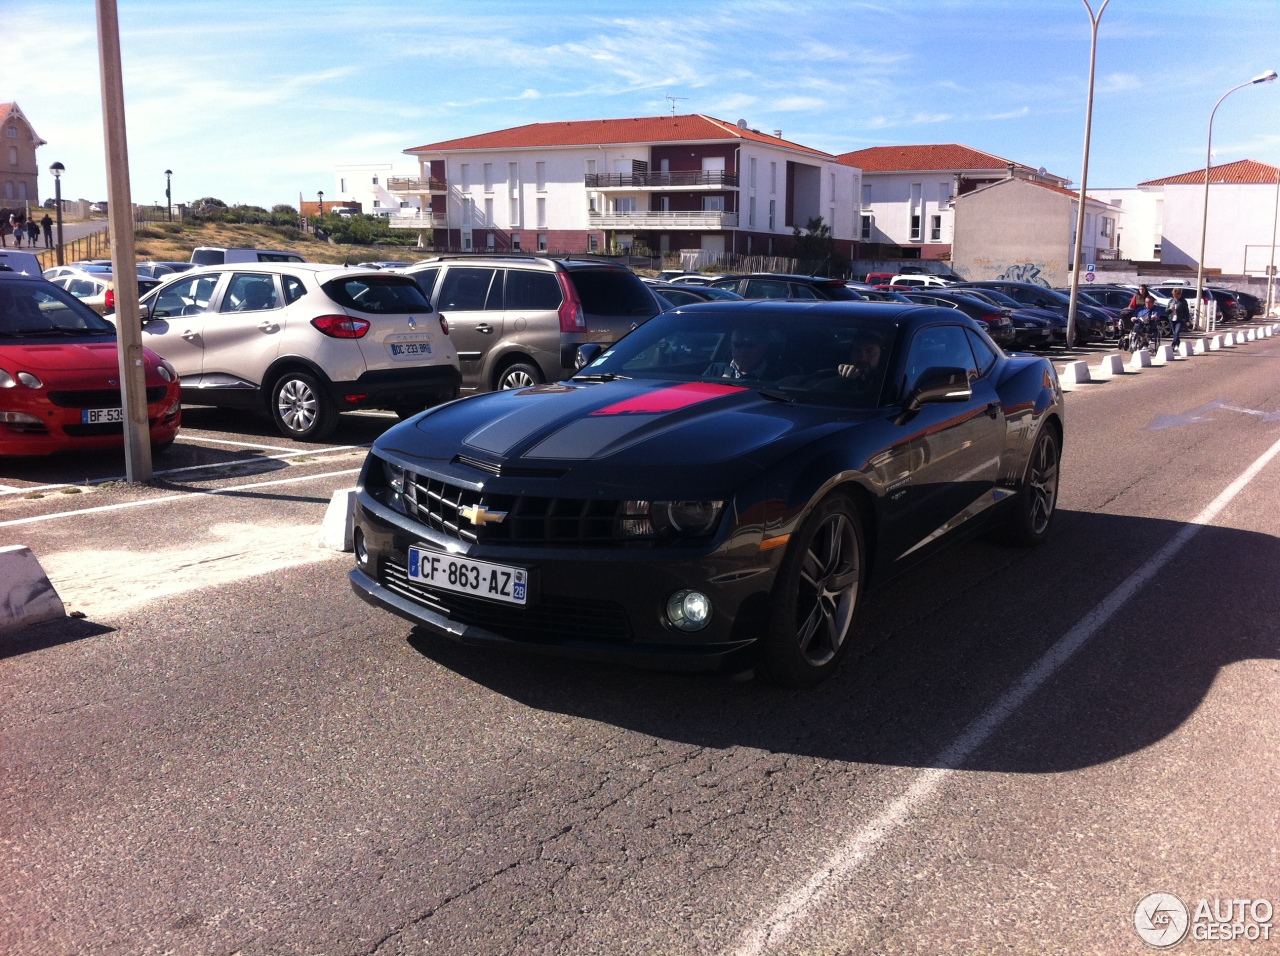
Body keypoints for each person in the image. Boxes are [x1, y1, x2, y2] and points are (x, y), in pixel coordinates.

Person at [705, 330, 776, 379]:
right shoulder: (715, 370)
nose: (743, 350)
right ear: (731, 347)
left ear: (763, 348)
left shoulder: (776, 378)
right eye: (737, 344)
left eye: (750, 345)